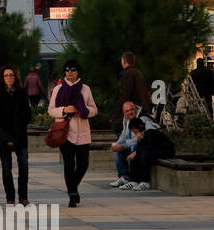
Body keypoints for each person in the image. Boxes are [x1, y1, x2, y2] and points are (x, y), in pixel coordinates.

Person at [49, 60, 98, 207]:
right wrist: (64, 110)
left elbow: (94, 109)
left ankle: (72, 187)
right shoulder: (58, 89)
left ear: (78, 72)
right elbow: (51, 110)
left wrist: (83, 111)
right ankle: (72, 195)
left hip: (82, 133)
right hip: (65, 133)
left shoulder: (85, 89)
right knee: (69, 164)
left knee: (83, 164)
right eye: (67, 70)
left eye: (73, 70)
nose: (70, 73)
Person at [0, 66, 32, 205]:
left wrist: (21, 123)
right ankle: (10, 196)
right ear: (2, 78)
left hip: (19, 133)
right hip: (3, 133)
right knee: (7, 168)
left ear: (15, 77)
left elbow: (28, 114)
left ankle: (23, 196)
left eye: (11, 75)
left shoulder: (21, 92)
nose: (9, 78)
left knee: (24, 165)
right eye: (6, 75)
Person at [108, 102, 157, 189]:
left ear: (136, 109)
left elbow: (142, 137)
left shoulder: (143, 118)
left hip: (145, 147)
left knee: (134, 148)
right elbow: (124, 134)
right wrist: (117, 145)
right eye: (127, 111)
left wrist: (123, 146)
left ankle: (135, 179)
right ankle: (124, 177)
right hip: (134, 145)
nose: (129, 112)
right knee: (118, 151)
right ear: (124, 113)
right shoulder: (126, 119)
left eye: (131, 109)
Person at [125, 118, 175, 191]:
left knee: (143, 154)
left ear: (140, 126)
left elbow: (149, 146)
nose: (135, 133)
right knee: (136, 154)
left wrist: (137, 150)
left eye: (135, 131)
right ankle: (134, 180)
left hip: (166, 151)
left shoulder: (150, 131)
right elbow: (144, 146)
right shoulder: (143, 133)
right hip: (155, 150)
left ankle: (145, 182)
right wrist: (139, 141)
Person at [115, 51, 151, 122]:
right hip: (142, 110)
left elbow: (125, 95)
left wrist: (118, 114)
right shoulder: (139, 74)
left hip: (132, 113)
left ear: (123, 61)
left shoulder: (127, 75)